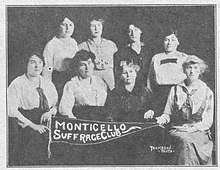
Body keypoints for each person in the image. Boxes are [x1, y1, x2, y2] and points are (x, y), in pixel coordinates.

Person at [155, 55, 213, 165]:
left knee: (188, 140)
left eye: (195, 68)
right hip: (178, 129)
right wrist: (162, 118)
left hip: (198, 131)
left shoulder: (207, 92)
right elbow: (167, 113)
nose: (192, 71)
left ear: (200, 70)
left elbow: (208, 121)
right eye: (189, 67)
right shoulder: (175, 89)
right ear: (183, 69)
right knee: (184, 140)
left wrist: (193, 129)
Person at [8, 50, 58, 165]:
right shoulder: (17, 83)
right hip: (27, 126)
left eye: (40, 62)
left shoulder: (47, 83)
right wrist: (33, 126)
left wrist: (50, 112)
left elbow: (56, 105)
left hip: (47, 122)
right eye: (32, 62)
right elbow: (11, 110)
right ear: (25, 64)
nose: (37, 66)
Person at [105, 61, 158, 164]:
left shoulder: (145, 91)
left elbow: (153, 107)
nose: (128, 75)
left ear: (136, 73)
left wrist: (151, 111)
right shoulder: (114, 93)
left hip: (141, 132)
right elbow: (109, 114)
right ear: (120, 75)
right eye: (125, 73)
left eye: (131, 71)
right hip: (121, 131)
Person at [146, 28, 188, 118]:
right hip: (160, 95)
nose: (169, 43)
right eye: (166, 40)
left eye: (173, 40)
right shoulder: (156, 58)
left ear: (178, 42)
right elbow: (150, 81)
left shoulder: (184, 57)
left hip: (178, 94)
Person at [59, 50, 108, 121]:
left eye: (89, 63)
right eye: (82, 65)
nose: (87, 68)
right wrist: (75, 122)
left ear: (93, 64)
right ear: (77, 67)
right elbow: (64, 109)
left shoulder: (100, 82)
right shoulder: (72, 84)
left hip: (101, 121)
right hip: (81, 123)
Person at [42, 17, 79, 100]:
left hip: (73, 79)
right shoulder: (51, 44)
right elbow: (48, 67)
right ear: (58, 26)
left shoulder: (73, 42)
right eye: (64, 25)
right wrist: (48, 86)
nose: (67, 28)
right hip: (59, 79)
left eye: (70, 25)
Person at [78, 18, 118, 90]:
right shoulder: (82, 46)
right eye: (93, 26)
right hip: (92, 76)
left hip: (110, 78)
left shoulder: (111, 45)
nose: (97, 29)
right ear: (88, 28)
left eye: (99, 25)